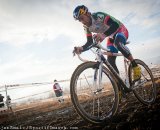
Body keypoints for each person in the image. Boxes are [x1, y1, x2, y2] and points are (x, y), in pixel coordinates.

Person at [73, 5, 141, 81]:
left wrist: (103, 35)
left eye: (82, 18)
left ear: (88, 14)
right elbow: (89, 42)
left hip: (121, 30)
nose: (82, 22)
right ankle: (119, 86)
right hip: (111, 37)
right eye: (79, 20)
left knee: (117, 43)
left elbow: (115, 25)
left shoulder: (98, 16)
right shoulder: (86, 27)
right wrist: (81, 49)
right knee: (110, 61)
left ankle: (135, 66)